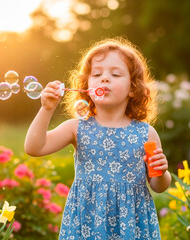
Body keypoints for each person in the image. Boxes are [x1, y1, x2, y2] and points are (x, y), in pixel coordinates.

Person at [24, 37, 171, 239]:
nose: (104, 78)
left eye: (115, 74)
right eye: (97, 74)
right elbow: (34, 148)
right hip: (87, 224)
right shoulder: (77, 128)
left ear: (132, 87)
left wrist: (162, 173)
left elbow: (158, 186)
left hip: (131, 225)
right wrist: (46, 109)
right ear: (86, 86)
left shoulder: (145, 133)